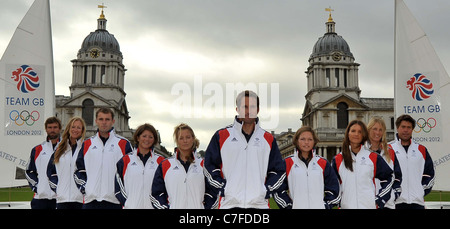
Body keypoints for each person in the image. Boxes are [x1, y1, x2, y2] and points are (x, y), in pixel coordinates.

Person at [204, 90, 291, 209]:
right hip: (229, 204)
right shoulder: (222, 136)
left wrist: (265, 190)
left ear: (258, 110)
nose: (248, 111)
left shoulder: (268, 139)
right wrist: (224, 188)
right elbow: (209, 166)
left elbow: (278, 171)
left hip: (259, 205)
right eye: (244, 107)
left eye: (252, 107)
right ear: (237, 109)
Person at [74, 107, 133, 209]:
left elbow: (130, 173)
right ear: (96, 121)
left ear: (113, 121)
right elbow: (78, 169)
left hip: (114, 202)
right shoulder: (88, 144)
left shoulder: (123, 144)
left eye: (107, 119)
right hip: (91, 201)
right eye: (101, 119)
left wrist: (121, 194)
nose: (104, 122)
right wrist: (85, 188)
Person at [331, 120, 393, 209]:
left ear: (363, 135)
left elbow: (389, 177)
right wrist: (336, 202)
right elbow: (332, 185)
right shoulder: (338, 159)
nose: (356, 134)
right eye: (353, 131)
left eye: (360, 132)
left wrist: (380, 199)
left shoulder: (373, 157)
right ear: (348, 133)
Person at [151, 123, 213, 209]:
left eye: (188, 137)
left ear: (193, 139)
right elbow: (156, 193)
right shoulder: (165, 165)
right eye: (181, 138)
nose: (185, 141)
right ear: (177, 141)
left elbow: (213, 191)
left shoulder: (204, 164)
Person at [284, 126, 340, 209]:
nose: (306, 142)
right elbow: (278, 189)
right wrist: (288, 206)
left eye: (310, 139)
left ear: (314, 142)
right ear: (297, 141)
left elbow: (334, 188)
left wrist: (325, 206)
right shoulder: (287, 162)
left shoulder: (323, 163)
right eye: (303, 139)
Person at [389, 114, 435, 209]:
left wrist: (421, 191)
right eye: (403, 127)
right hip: (395, 203)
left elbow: (430, 174)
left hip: (417, 203)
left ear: (412, 129)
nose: (406, 130)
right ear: (397, 128)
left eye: (409, 127)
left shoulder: (421, 150)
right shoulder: (388, 148)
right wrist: (392, 193)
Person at [115, 123, 164, 209]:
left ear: (154, 140)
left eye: (150, 137)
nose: (147, 139)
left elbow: (166, 188)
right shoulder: (125, 160)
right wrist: (128, 203)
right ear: (138, 138)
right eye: (144, 136)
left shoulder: (161, 161)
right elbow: (118, 187)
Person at [47, 117, 86, 209]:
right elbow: (50, 172)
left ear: (82, 130)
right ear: (68, 128)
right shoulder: (59, 148)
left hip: (81, 199)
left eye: (78, 127)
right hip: (62, 199)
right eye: (73, 127)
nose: (75, 130)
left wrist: (84, 189)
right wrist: (58, 188)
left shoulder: (86, 148)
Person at [26, 117, 62, 209]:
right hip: (40, 198)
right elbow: (29, 171)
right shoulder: (37, 150)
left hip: (61, 198)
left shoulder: (67, 148)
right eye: (50, 127)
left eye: (55, 127)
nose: (52, 130)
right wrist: (37, 188)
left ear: (60, 129)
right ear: (46, 129)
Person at [366, 117, 402, 209]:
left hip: (387, 204)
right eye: (374, 129)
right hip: (366, 203)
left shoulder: (390, 152)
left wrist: (395, 194)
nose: (377, 133)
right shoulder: (361, 152)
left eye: (380, 130)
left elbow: (397, 177)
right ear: (368, 130)